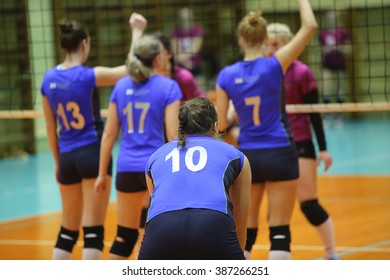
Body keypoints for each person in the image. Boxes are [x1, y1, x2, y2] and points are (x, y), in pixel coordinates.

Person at [216, 0, 317, 260]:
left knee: (245, 233)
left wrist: (233, 117)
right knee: (280, 230)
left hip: (248, 156)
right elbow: (310, 26)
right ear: (264, 38)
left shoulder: (226, 75)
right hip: (280, 152)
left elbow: (221, 125)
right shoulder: (275, 64)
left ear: (240, 38)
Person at [40, 15, 132, 259]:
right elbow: (129, 69)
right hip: (92, 153)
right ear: (84, 44)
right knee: (93, 231)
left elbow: (50, 127)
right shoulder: (88, 75)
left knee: (67, 231)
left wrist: (59, 164)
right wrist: (136, 32)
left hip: (67, 156)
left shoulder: (48, 79)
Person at [94, 31, 182, 259]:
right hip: (155, 169)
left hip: (126, 168)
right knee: (162, 235)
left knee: (124, 237)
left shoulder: (121, 86)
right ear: (157, 59)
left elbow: (109, 133)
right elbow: (173, 135)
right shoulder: (168, 86)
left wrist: (102, 173)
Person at [138, 97, 251, 260]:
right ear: (215, 126)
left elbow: (156, 205)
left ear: (181, 127)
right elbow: (240, 227)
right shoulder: (236, 156)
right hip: (213, 225)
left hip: (162, 229)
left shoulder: (155, 157)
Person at [266, 22, 341, 260]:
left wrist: (324, 149)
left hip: (299, 142)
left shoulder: (301, 72)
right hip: (271, 144)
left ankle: (331, 253)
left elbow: (314, 114)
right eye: (266, 44)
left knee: (308, 203)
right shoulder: (263, 71)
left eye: (275, 44)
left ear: (289, 44)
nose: (270, 49)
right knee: (271, 211)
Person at [318, 10, 351, 127]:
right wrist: (327, 49)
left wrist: (338, 47)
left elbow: (349, 49)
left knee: (339, 89)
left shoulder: (342, 32)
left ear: (337, 18)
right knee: (326, 89)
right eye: (329, 17)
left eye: (333, 17)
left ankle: (339, 117)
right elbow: (320, 49)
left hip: (340, 64)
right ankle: (327, 116)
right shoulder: (323, 33)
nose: (331, 19)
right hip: (327, 64)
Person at [170, 7, 204, 76]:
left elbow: (195, 49)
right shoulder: (175, 31)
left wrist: (183, 58)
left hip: (195, 65)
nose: (185, 19)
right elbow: (175, 50)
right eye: (183, 17)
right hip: (180, 66)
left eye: (187, 16)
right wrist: (184, 62)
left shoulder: (197, 29)